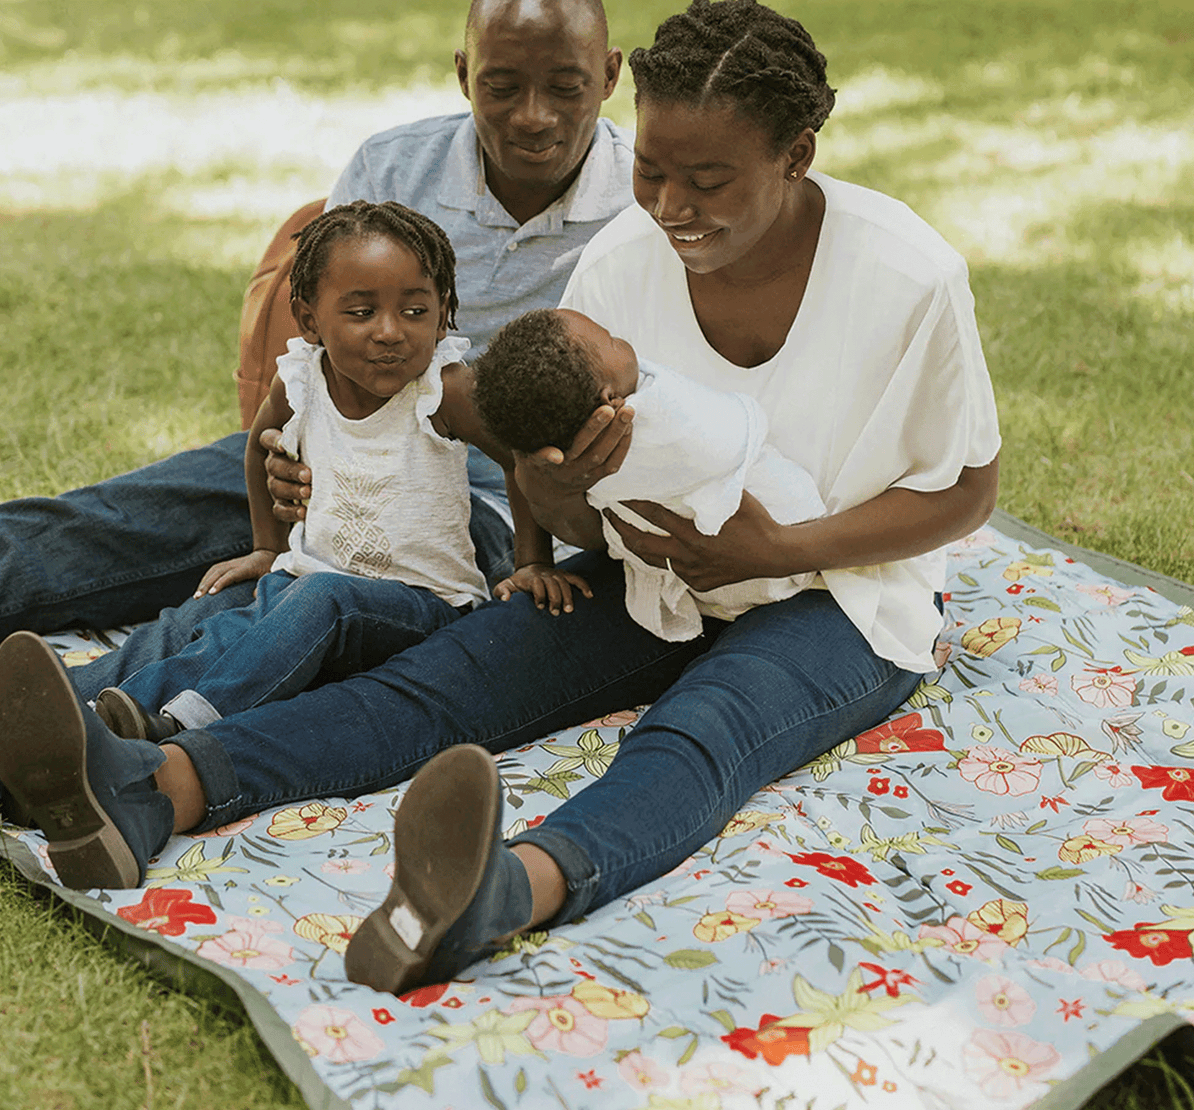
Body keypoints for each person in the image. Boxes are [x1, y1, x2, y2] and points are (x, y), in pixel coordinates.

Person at [0, 1, 1000, 1001]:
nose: (668, 202)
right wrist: (562, 488)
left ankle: (498, 890)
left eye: (707, 180)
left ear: (796, 154)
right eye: (650, 169)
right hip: (653, 569)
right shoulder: (617, 264)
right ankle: (153, 787)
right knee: (446, 676)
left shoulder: (905, 274)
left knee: (706, 726)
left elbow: (965, 490)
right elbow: (564, 507)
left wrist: (778, 544)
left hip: (841, 589)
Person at [0, 0, 630, 668]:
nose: (534, 115)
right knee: (110, 525)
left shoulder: (643, 202)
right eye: (502, 87)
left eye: (566, 87)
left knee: (277, 606)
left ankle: (106, 711)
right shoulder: (393, 166)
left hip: (487, 498)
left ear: (611, 75)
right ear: (463, 72)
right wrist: (286, 449)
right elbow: (320, 333)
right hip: (332, 442)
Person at [93, 203, 587, 747]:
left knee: (323, 599)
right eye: (360, 313)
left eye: (415, 311)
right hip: (307, 583)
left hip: (425, 606)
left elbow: (519, 461)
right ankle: (97, 715)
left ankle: (184, 724)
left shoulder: (443, 389)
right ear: (309, 319)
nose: (390, 333)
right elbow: (260, 449)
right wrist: (266, 548)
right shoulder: (301, 379)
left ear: (444, 311)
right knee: (220, 624)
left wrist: (533, 560)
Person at [475, 306, 826, 641]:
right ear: (609, 400)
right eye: (612, 339)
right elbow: (737, 428)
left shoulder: (569, 450)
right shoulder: (658, 423)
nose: (623, 340)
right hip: (782, 540)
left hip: (741, 566)